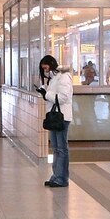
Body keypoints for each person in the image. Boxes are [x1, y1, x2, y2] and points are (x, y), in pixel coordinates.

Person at [35, 55, 73, 187]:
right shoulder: (55, 77)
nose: (45, 71)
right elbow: (54, 96)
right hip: (54, 116)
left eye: (45, 68)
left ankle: (62, 179)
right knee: (56, 148)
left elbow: (63, 97)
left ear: (50, 64)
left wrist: (47, 94)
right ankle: (56, 176)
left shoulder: (64, 76)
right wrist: (45, 92)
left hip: (62, 117)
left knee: (61, 149)